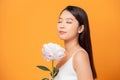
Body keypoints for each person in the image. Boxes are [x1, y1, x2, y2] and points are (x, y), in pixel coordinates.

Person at [54, 5, 97, 80]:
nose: (62, 25)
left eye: (68, 22)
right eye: (60, 21)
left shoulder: (80, 56)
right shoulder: (60, 56)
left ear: (80, 28)